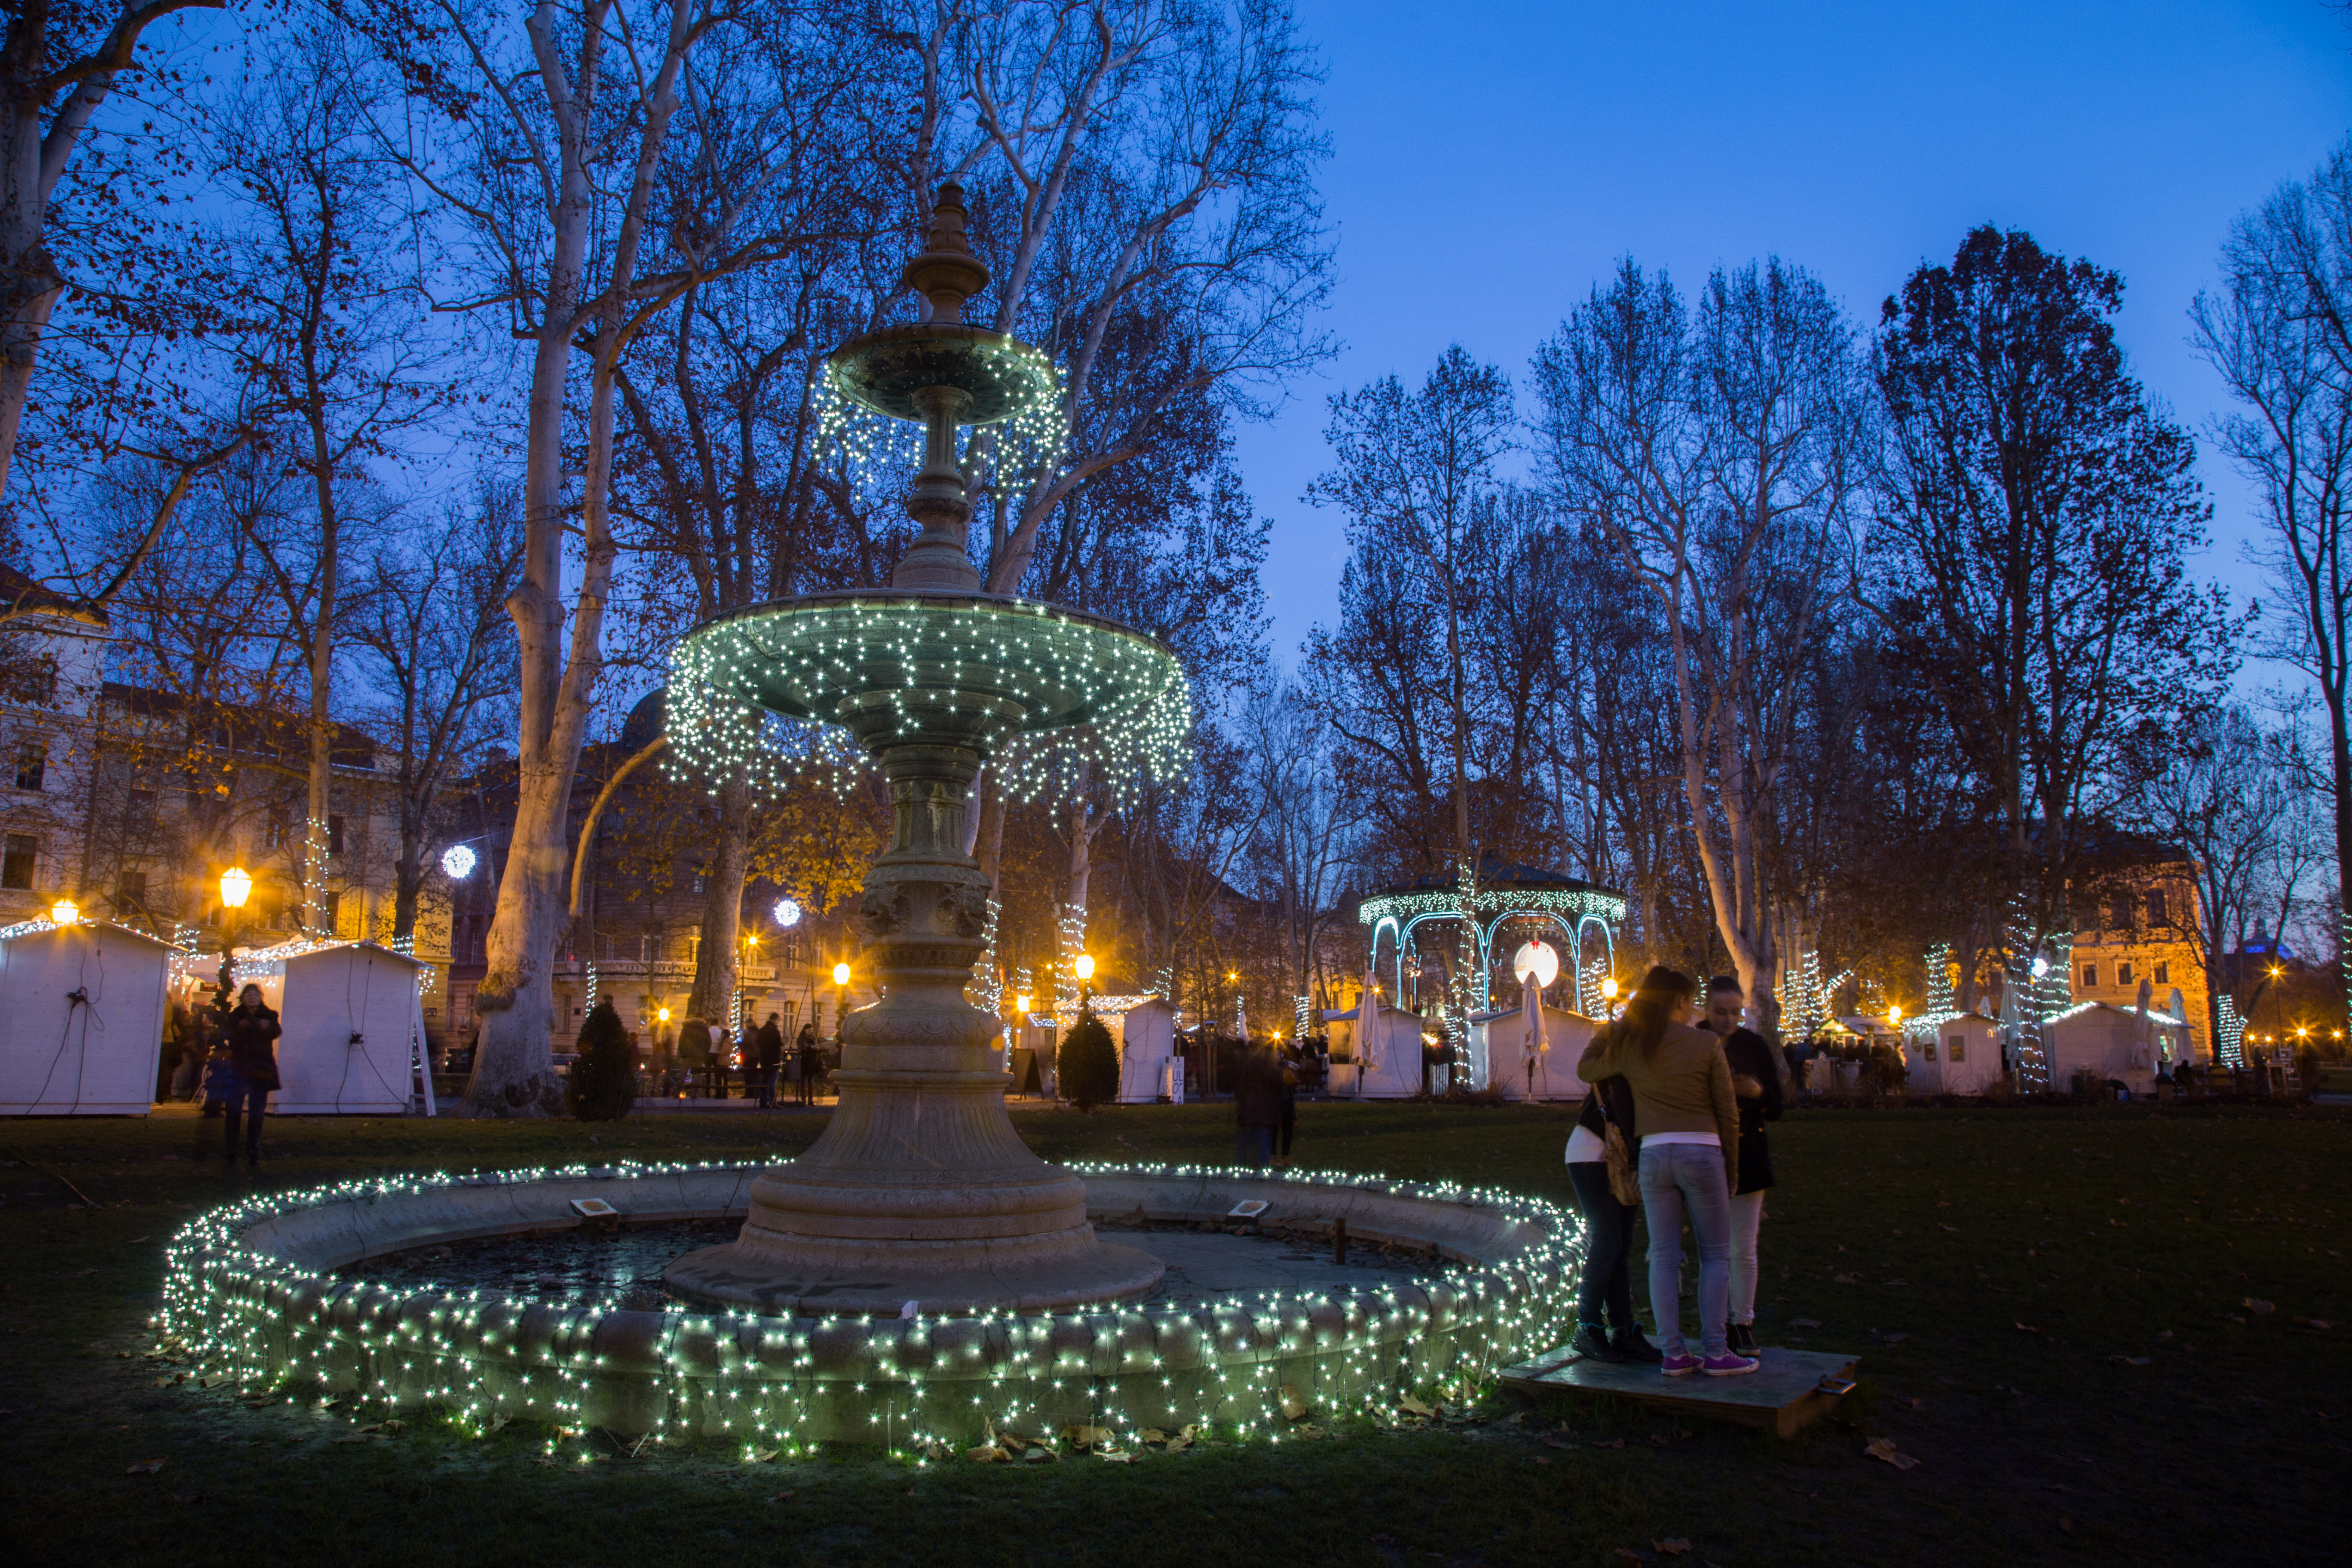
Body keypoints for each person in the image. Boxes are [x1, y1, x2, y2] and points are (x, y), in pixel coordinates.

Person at [1579, 965, 1752, 1378]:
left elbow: (1587, 1069)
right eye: (1690, 1001)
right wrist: (1733, 1167)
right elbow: (1728, 1113)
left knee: (1662, 1255)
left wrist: (1614, 1028)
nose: (1692, 1009)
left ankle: (1673, 1353)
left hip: (1655, 1156)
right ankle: (1715, 1351)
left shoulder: (1632, 1046)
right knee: (1714, 1255)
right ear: (1680, 1001)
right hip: (1702, 1152)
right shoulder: (1707, 1043)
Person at [1702, 975, 1782, 1357]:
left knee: (1743, 1246)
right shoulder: (1695, 1041)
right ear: (1706, 1007)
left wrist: (1758, 1092)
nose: (1728, 1020)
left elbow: (1778, 1102)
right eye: (1721, 1012)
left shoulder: (1753, 1046)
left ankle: (1742, 1322)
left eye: (1736, 1012)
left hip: (1747, 1153)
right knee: (1711, 1246)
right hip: (1702, 1151)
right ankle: (1714, 1322)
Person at [1565, 1073, 1657, 1362]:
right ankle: (1587, 1326)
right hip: (1593, 1154)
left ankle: (1622, 1328)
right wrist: (1640, 1161)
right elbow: (1627, 1114)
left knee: (1621, 1246)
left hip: (1621, 1156)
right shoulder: (1624, 1062)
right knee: (1607, 1241)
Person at [219, 982, 281, 1169]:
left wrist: (268, 1028)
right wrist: (241, 1028)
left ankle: (253, 1151)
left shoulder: (269, 1015)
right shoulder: (235, 1016)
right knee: (234, 1112)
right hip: (239, 1070)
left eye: (255, 995)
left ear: (260, 997)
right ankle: (231, 1153)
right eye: (248, 995)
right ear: (243, 998)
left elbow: (277, 1031)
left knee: (256, 1114)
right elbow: (228, 1034)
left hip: (261, 1070)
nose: (252, 998)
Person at [1233, 1038, 1286, 1167]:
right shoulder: (1270, 1067)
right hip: (1265, 1108)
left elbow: (1241, 1086)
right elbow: (1280, 1087)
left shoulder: (1250, 1064)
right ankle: (1262, 1167)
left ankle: (1242, 1165)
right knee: (1264, 1138)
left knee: (1247, 1139)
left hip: (1251, 1107)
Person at [753, 1012, 784, 1109]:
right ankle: (773, 1103)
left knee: (764, 1081)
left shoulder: (762, 1030)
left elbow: (758, 1044)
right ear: (775, 1020)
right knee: (772, 1083)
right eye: (778, 1021)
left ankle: (763, 1101)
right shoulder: (775, 1031)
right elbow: (780, 1046)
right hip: (774, 1060)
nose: (778, 1023)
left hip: (764, 1060)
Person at [677, 1015, 712, 1098]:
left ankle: (678, 1092)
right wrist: (705, 1053)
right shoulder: (704, 1029)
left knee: (683, 1073)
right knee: (697, 1074)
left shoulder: (686, 1028)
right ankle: (694, 1094)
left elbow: (681, 1042)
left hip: (687, 1055)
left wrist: (682, 1054)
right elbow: (709, 1042)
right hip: (699, 1055)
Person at [795, 1021, 822, 1106]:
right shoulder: (802, 1039)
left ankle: (810, 1099)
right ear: (805, 1030)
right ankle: (804, 1099)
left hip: (812, 1062)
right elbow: (802, 1049)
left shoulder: (813, 1039)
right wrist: (811, 1048)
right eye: (809, 1030)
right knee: (804, 1080)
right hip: (805, 1061)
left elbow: (817, 1049)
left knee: (811, 1080)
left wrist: (818, 1049)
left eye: (811, 1031)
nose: (810, 1032)